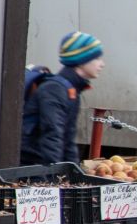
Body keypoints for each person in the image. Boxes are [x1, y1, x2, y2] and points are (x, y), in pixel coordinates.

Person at [20, 31, 105, 165]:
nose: (102, 64)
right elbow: (52, 135)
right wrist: (54, 178)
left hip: (41, 167)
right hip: (33, 168)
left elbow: (68, 138)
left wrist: (74, 175)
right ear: (82, 60)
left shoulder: (71, 90)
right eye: (97, 58)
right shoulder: (55, 89)